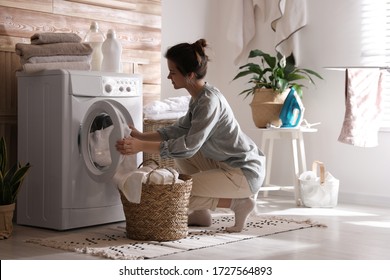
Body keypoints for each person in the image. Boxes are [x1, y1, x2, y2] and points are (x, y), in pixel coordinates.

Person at [116, 38, 265, 232]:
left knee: (179, 190)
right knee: (183, 154)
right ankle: (201, 213)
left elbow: (188, 145)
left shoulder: (208, 102)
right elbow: (178, 131)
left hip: (244, 172)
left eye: (173, 72)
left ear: (190, 75)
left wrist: (141, 147)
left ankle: (239, 204)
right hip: (228, 163)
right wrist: (141, 136)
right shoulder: (199, 97)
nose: (169, 77)